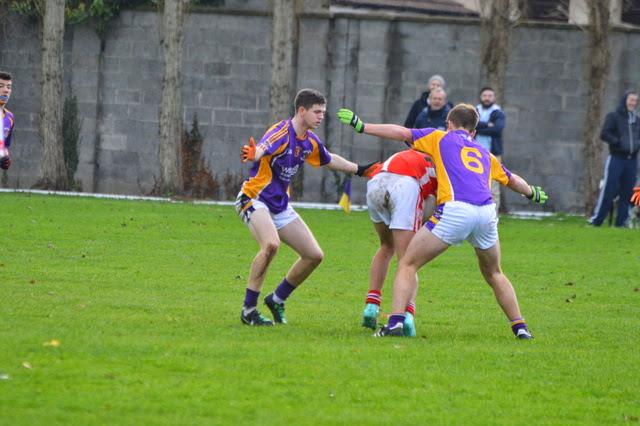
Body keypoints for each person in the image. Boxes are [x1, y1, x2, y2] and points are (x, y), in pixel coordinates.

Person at [338, 104, 547, 339]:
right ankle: (520, 328)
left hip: (456, 210)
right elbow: (513, 180)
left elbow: (402, 132)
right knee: (495, 273)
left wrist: (363, 126)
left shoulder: (440, 138)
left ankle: (395, 324)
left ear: (449, 124)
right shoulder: (485, 154)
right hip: (487, 213)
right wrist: (532, 194)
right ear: (474, 132)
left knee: (407, 263)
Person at [236, 88, 379, 326]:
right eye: (317, 112)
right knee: (271, 245)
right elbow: (264, 147)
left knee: (314, 255)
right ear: (302, 111)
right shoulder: (282, 131)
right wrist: (255, 154)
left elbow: (329, 159)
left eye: (323, 112)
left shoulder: (310, 140)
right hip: (254, 198)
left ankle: (277, 299)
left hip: (280, 206)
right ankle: (249, 310)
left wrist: (361, 170)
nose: (322, 117)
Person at [362, 149, 437, 337]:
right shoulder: (438, 162)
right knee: (408, 262)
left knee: (386, 246)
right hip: (405, 186)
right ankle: (407, 317)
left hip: (376, 183)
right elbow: (437, 199)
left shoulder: (402, 153)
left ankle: (371, 306)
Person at [589, 90, 640, 227]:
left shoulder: (637, 120)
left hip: (632, 160)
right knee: (609, 189)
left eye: (635, 100)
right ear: (625, 100)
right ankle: (597, 220)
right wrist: (617, 141)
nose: (633, 103)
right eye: (631, 100)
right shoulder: (614, 116)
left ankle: (621, 222)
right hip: (617, 158)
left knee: (627, 191)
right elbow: (605, 133)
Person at [475, 87, 506, 210]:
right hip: (474, 154)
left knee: (494, 186)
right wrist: (487, 125)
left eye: (490, 96)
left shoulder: (498, 112)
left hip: (493, 154)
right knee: (476, 184)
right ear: (480, 97)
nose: (487, 98)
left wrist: (480, 127)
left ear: (494, 98)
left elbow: (497, 128)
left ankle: (493, 215)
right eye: (485, 95)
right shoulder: (474, 111)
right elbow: (471, 126)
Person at [0, 71, 15, 171]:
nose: (5, 90)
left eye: (8, 87)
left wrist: (5, 159)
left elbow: (4, 147)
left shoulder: (9, 118)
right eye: (1, 86)